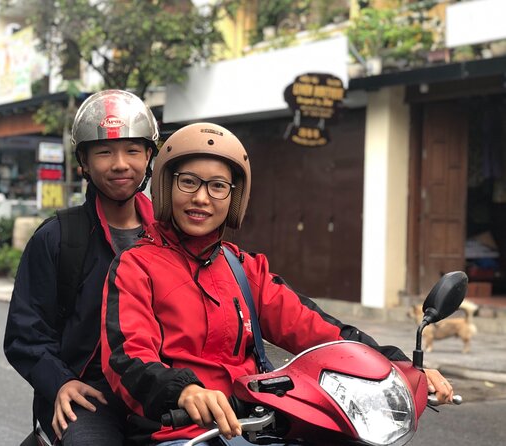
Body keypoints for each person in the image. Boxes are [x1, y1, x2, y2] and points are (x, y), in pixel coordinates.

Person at [100, 122, 455, 445]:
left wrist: (397, 365)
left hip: (259, 425)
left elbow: (319, 331)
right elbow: (128, 357)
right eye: (189, 182)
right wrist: (184, 391)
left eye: (218, 186)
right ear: (166, 186)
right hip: (183, 431)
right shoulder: (137, 266)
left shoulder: (244, 269)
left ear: (234, 198)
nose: (202, 198)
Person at [4, 89, 159, 445]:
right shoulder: (58, 238)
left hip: (155, 391)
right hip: (88, 395)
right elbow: (25, 335)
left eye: (133, 150)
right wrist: (60, 381)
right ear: (84, 162)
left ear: (149, 156)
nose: (120, 163)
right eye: (105, 151)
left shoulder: (166, 237)